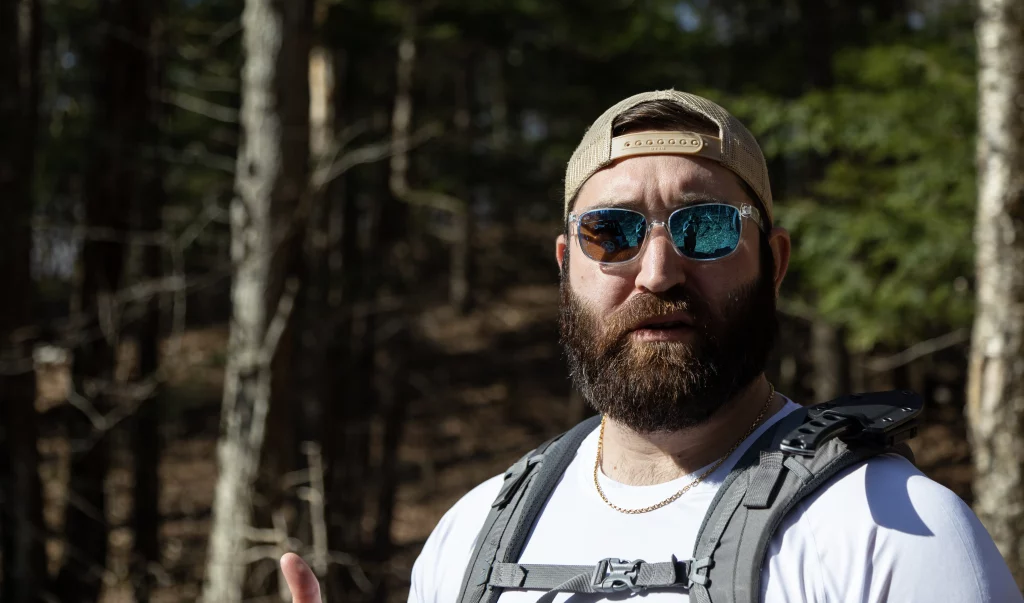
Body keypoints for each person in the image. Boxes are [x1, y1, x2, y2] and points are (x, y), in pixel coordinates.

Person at [280, 90, 1023, 603]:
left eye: (706, 226)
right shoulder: (468, 540)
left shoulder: (893, 533)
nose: (659, 270)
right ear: (568, 266)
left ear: (775, 264)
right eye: (613, 232)